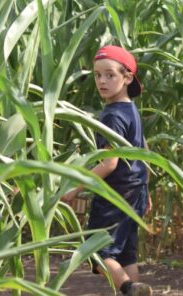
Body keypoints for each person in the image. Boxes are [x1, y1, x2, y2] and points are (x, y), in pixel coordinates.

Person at [62, 45, 152, 296]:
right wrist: (146, 191)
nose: (102, 81)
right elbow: (143, 151)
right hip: (135, 191)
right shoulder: (131, 110)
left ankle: (129, 288)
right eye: (97, 75)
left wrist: (76, 187)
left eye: (110, 75)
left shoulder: (111, 116)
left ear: (127, 78)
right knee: (126, 253)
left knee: (97, 252)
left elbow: (109, 163)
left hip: (115, 194)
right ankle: (135, 289)